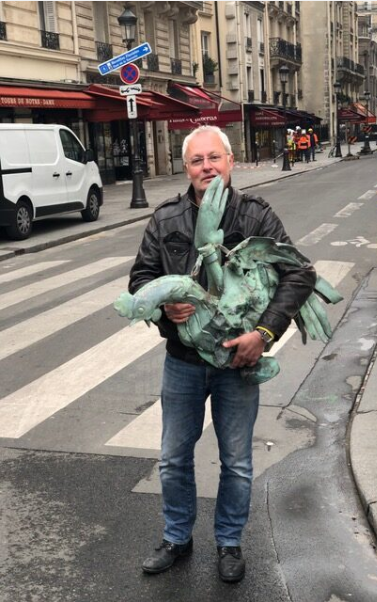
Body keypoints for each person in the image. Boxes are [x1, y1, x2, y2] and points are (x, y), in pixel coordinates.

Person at [128, 125, 316, 583]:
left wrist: (265, 333)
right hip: (184, 363)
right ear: (187, 167)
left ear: (231, 163)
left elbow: (300, 273)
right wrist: (164, 309)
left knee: (236, 460)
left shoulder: (255, 216)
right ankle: (177, 537)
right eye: (197, 160)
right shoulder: (166, 218)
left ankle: (229, 542)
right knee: (173, 457)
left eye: (215, 158)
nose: (207, 167)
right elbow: (140, 281)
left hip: (238, 362)